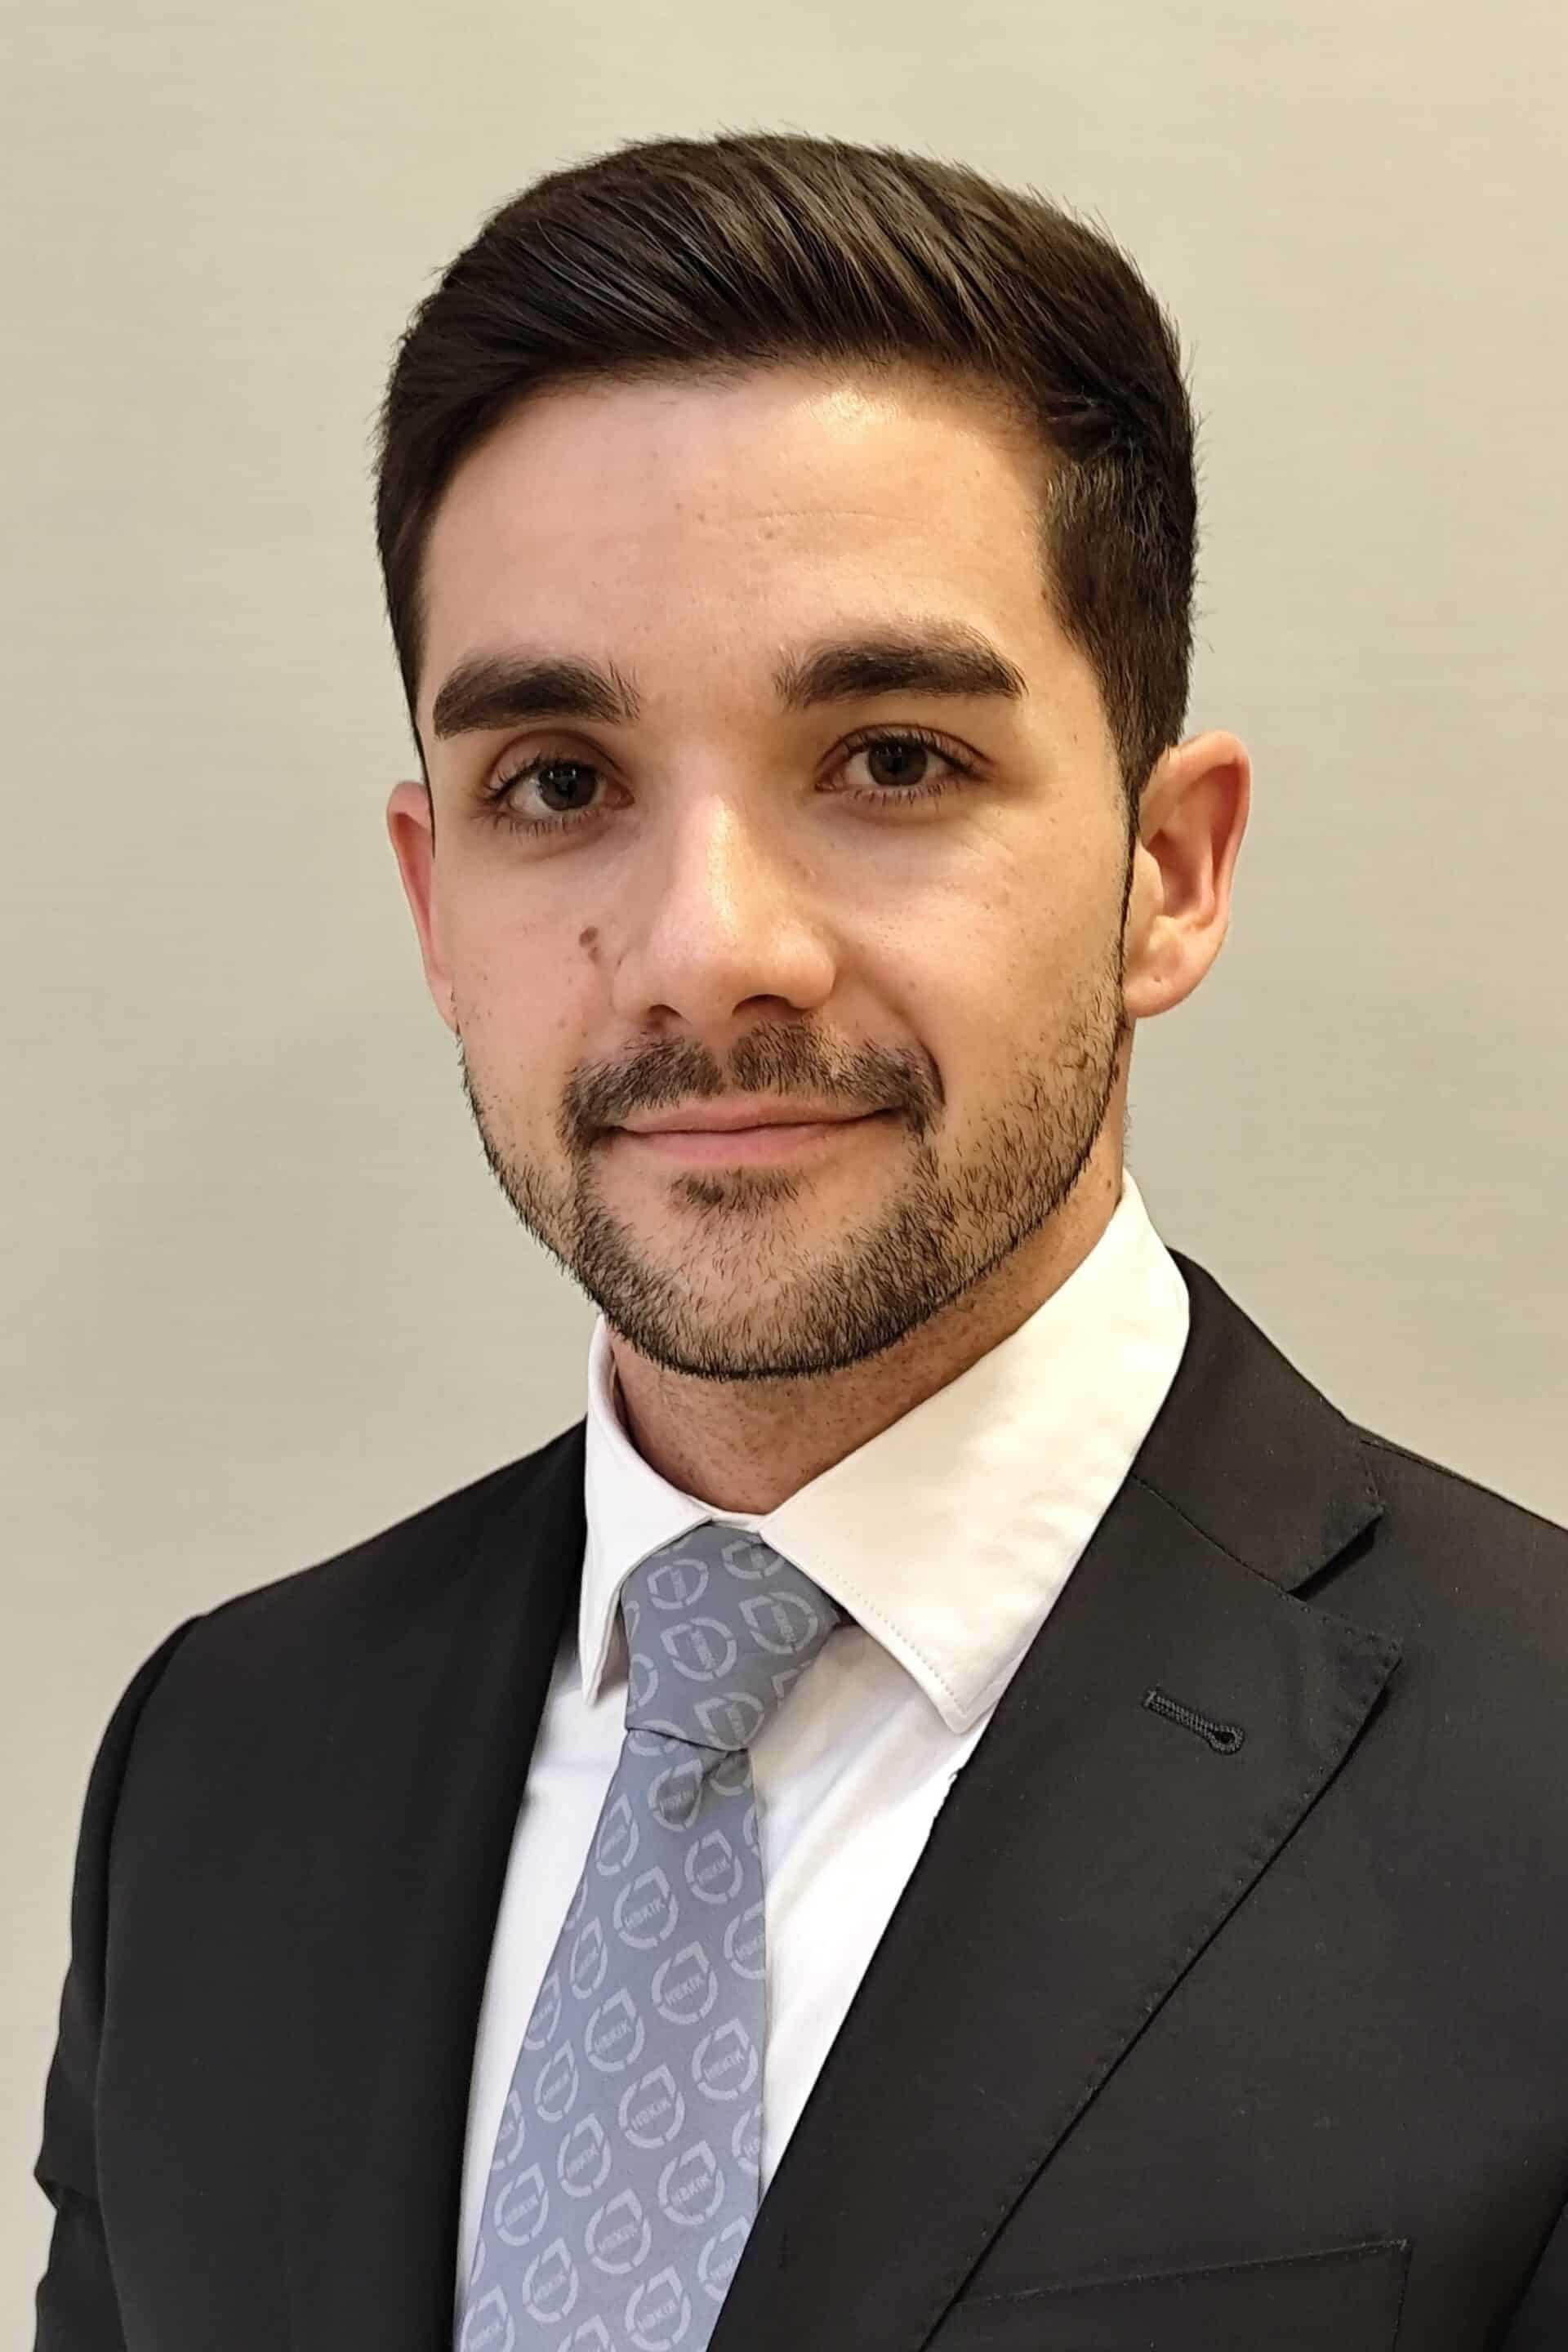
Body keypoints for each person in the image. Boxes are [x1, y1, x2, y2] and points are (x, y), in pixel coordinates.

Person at [32, 130, 1568, 2352]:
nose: (706, 948)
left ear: (1169, 873)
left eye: (893, 760)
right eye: (560, 782)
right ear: (436, 903)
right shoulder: (219, 1766)